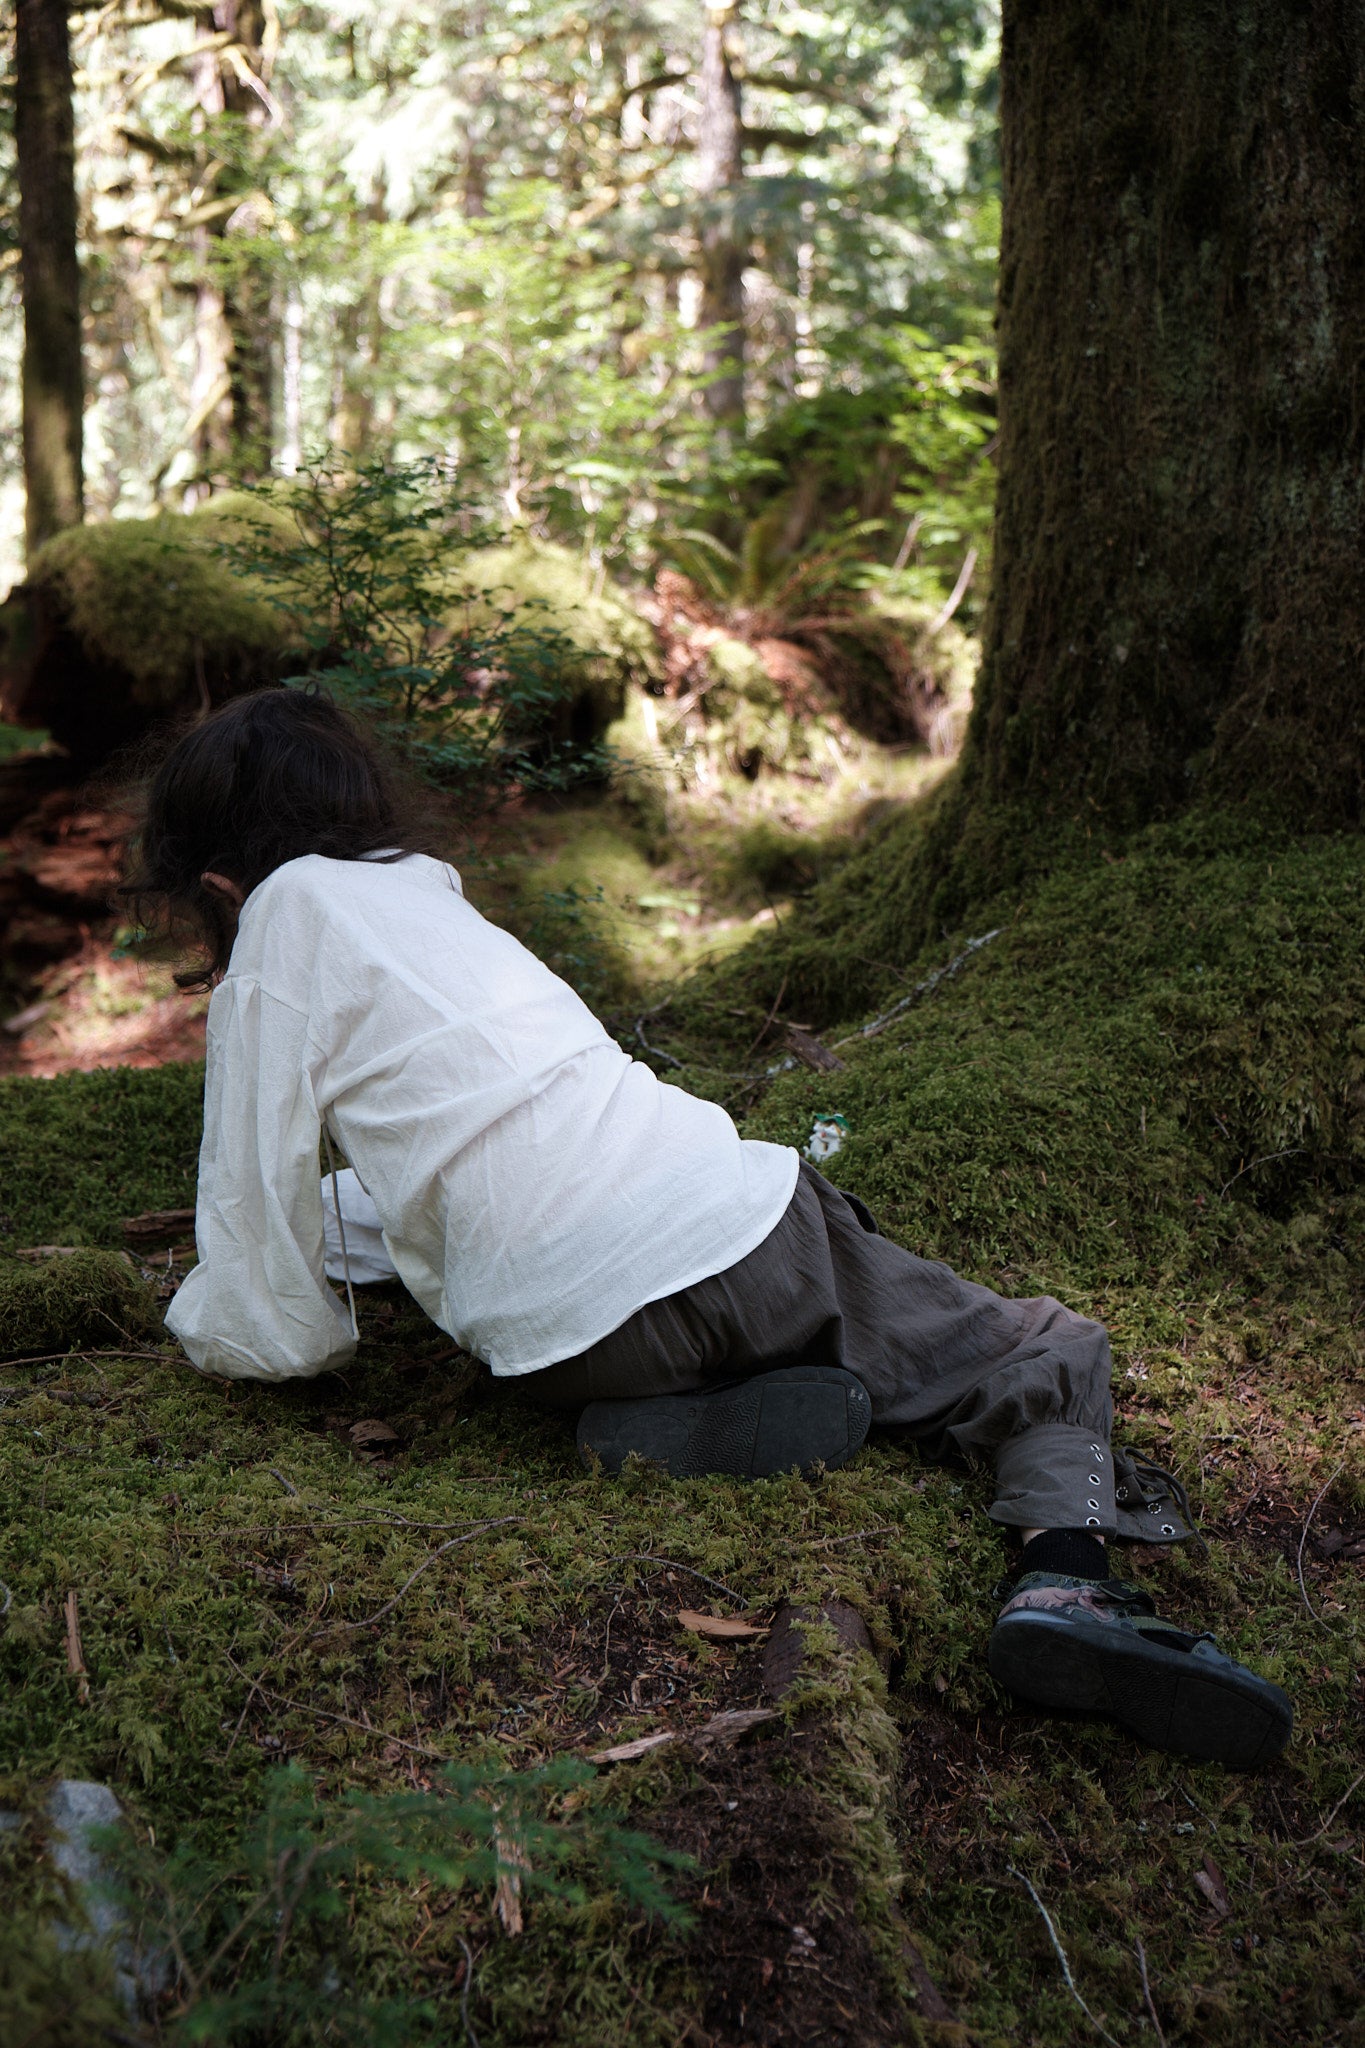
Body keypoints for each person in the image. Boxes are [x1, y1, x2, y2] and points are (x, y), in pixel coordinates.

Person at [126, 687, 1292, 1771]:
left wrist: (234, 1316)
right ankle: (1065, 1581)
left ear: (218, 881)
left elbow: (262, 1221)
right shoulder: (424, 896)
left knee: (474, 1258)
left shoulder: (276, 925)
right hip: (736, 1233)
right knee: (1034, 1345)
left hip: (556, 1344)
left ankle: (652, 1426)